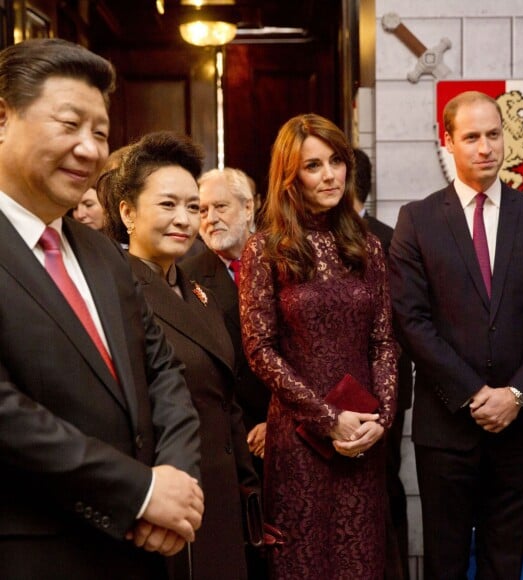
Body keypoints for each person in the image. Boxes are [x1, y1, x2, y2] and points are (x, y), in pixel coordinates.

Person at [0, 38, 204, 580]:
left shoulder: (101, 252)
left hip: (141, 550)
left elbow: (163, 372)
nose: (90, 150)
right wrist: (139, 491)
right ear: (2, 118)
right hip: (33, 551)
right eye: (70, 125)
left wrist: (175, 484)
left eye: (100, 133)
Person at [388, 90, 523, 579]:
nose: (486, 147)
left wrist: (513, 394)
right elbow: (411, 320)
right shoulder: (418, 219)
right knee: (444, 563)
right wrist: (475, 394)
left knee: (504, 563)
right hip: (447, 427)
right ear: (447, 141)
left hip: (518, 425)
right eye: (471, 137)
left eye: (494, 134)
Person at [239, 113, 400, 579]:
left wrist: (381, 421)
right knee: (301, 563)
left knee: (361, 560)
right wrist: (328, 419)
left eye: (336, 161)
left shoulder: (367, 248)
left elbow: (384, 341)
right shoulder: (265, 248)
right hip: (299, 442)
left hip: (361, 443)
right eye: (313, 165)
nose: (329, 175)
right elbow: (260, 349)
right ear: (290, 176)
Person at [101, 131, 260, 580]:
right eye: (168, 205)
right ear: (128, 212)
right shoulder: (116, 292)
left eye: (194, 207)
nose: (186, 219)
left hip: (221, 493)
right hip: (165, 501)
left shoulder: (198, 292)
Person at [180, 167, 271, 580]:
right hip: (229, 441)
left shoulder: (283, 259)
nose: (209, 218)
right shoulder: (187, 277)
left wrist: (279, 419)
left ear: (249, 206)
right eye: (201, 210)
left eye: (220, 207)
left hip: (290, 428)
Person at [353, 148, 412, 580]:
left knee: (379, 487)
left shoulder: (383, 241)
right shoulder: (393, 235)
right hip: (388, 390)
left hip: (374, 389)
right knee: (387, 485)